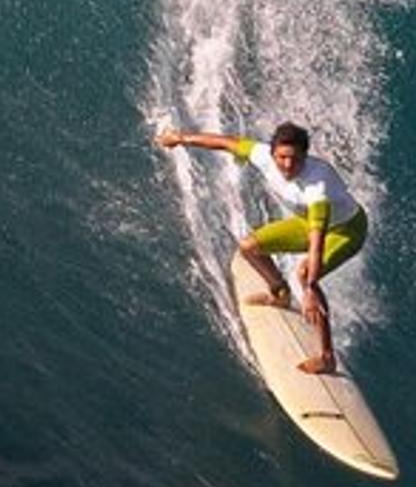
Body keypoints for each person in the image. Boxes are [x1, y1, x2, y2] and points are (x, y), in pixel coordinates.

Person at [157, 121, 367, 374]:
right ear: (272, 153)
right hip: (306, 222)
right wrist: (180, 138)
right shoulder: (262, 155)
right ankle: (280, 293)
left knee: (304, 274)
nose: (288, 165)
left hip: (346, 231)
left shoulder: (317, 186)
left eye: (295, 159)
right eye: (282, 157)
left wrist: (310, 288)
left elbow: (317, 238)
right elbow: (226, 143)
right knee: (249, 247)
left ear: (305, 156)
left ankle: (327, 356)